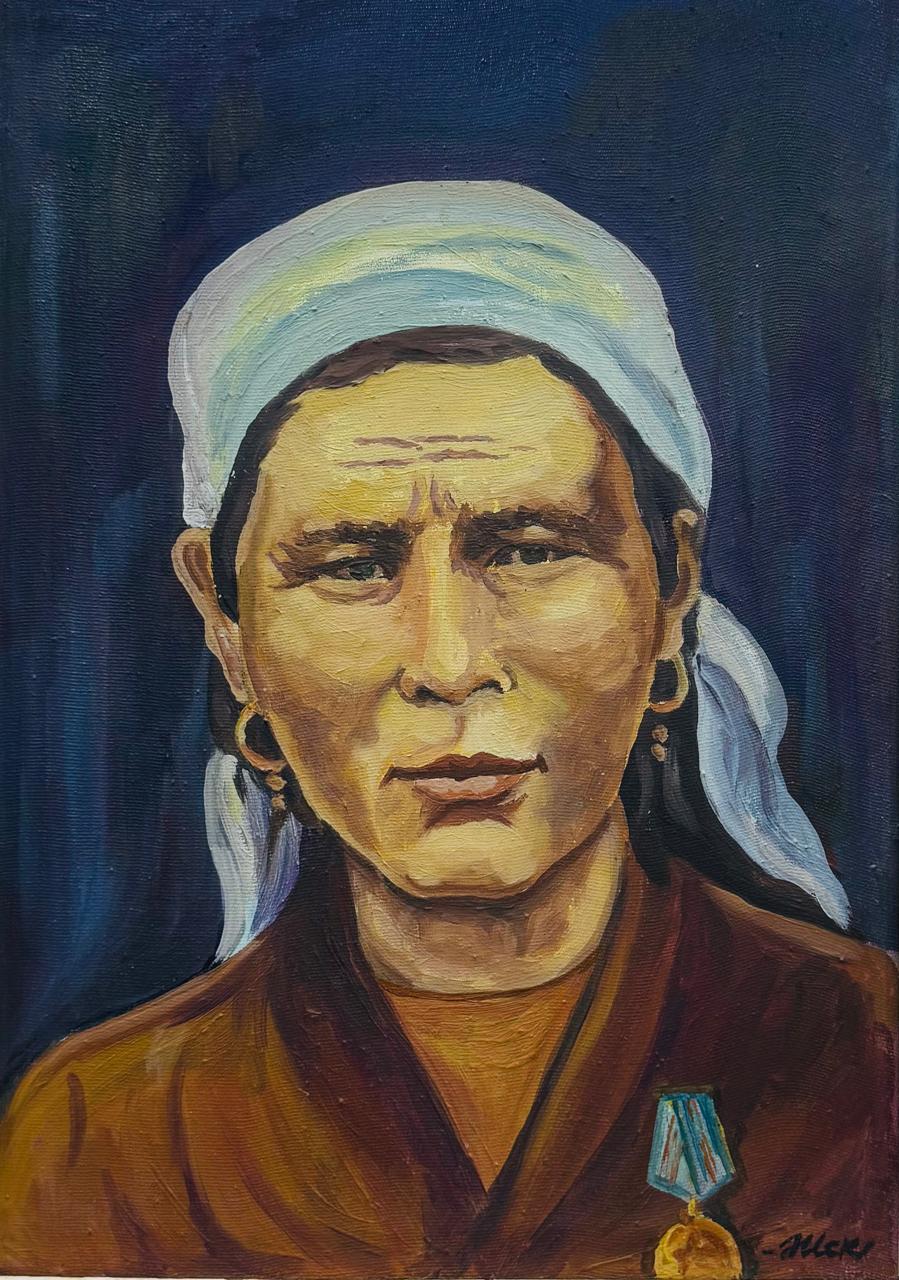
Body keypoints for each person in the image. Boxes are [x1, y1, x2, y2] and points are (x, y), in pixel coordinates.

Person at [0, 182, 895, 1280]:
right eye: (352, 564)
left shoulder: (866, 1061)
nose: (449, 662)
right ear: (226, 625)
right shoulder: (100, 1141)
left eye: (530, 549)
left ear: (670, 592)